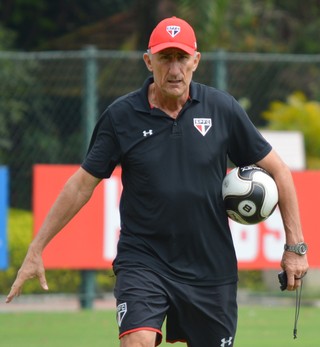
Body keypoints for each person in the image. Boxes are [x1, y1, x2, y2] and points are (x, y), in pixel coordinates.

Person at [6, 16, 308, 347]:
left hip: (210, 267)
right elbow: (80, 185)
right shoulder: (121, 117)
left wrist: (295, 248)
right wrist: (37, 248)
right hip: (144, 261)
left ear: (196, 61)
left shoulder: (223, 110)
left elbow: (279, 172)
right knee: (136, 340)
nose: (174, 69)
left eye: (182, 58)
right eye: (165, 58)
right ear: (149, 61)